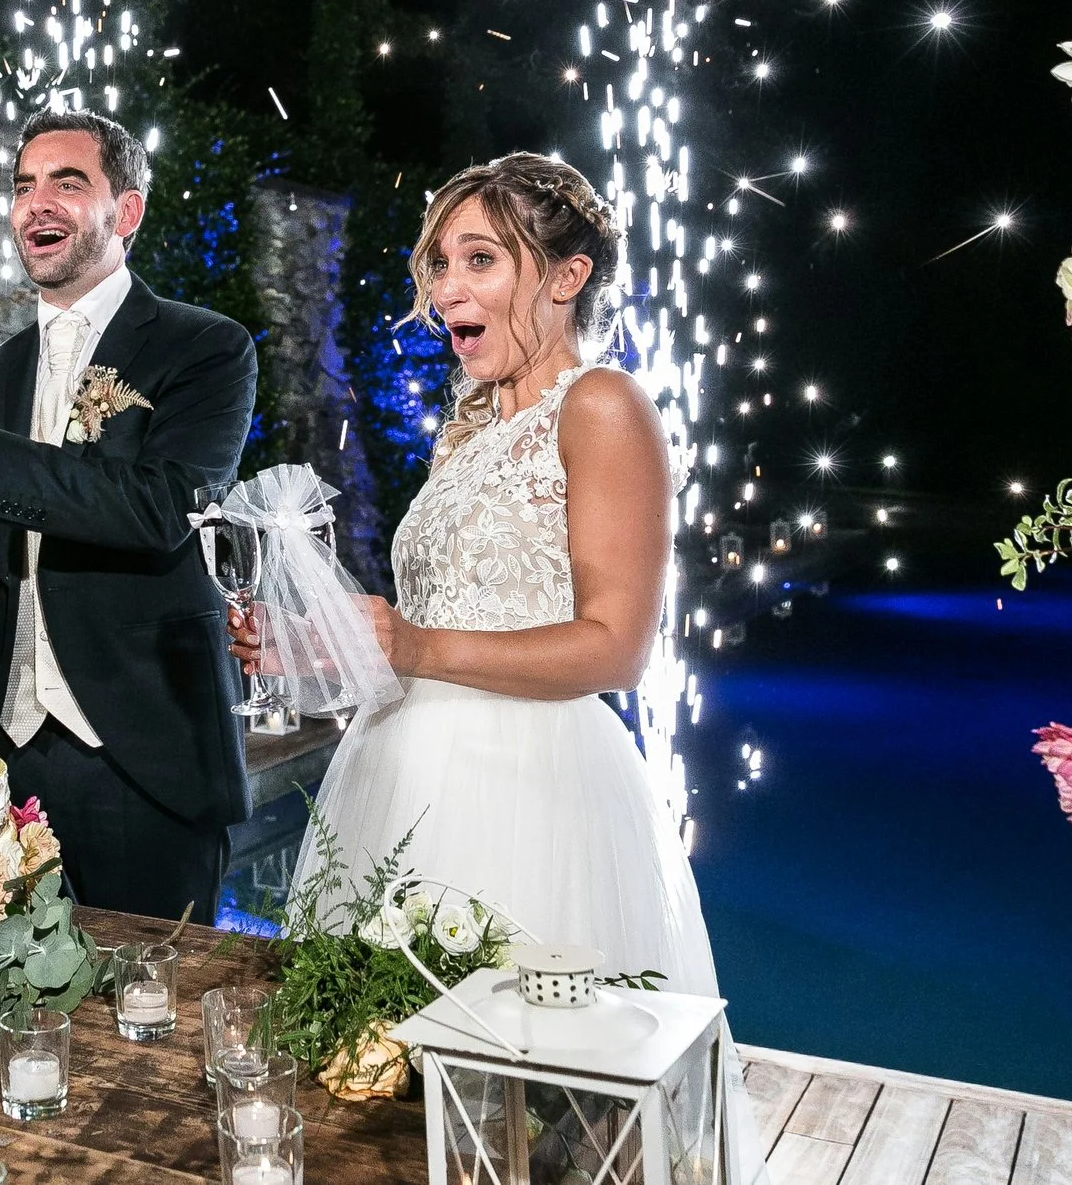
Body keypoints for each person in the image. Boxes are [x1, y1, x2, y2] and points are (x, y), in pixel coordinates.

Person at [261, 152, 756, 1177]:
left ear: (567, 275)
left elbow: (616, 645)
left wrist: (415, 644)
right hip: (398, 780)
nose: (447, 288)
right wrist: (324, 644)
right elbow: (438, 622)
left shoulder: (603, 404)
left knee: (542, 1118)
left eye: (480, 259)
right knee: (387, 1100)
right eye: (440, 262)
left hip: (533, 794)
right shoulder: (467, 427)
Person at [0, 109, 258, 921]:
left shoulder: (207, 348)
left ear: (127, 211)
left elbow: (160, 507)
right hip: (10, 753)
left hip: (145, 756)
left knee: (154, 992)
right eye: (23, 186)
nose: (35, 203)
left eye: (67, 183)